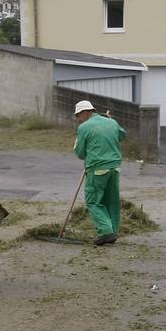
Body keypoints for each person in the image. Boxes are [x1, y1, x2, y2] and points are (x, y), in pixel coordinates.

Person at [72, 99, 127, 246]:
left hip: (97, 169)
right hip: (114, 167)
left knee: (93, 201)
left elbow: (80, 153)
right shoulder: (112, 122)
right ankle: (113, 231)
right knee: (112, 201)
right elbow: (122, 135)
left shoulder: (84, 127)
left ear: (86, 112)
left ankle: (105, 231)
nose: (78, 119)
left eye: (78, 116)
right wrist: (110, 123)